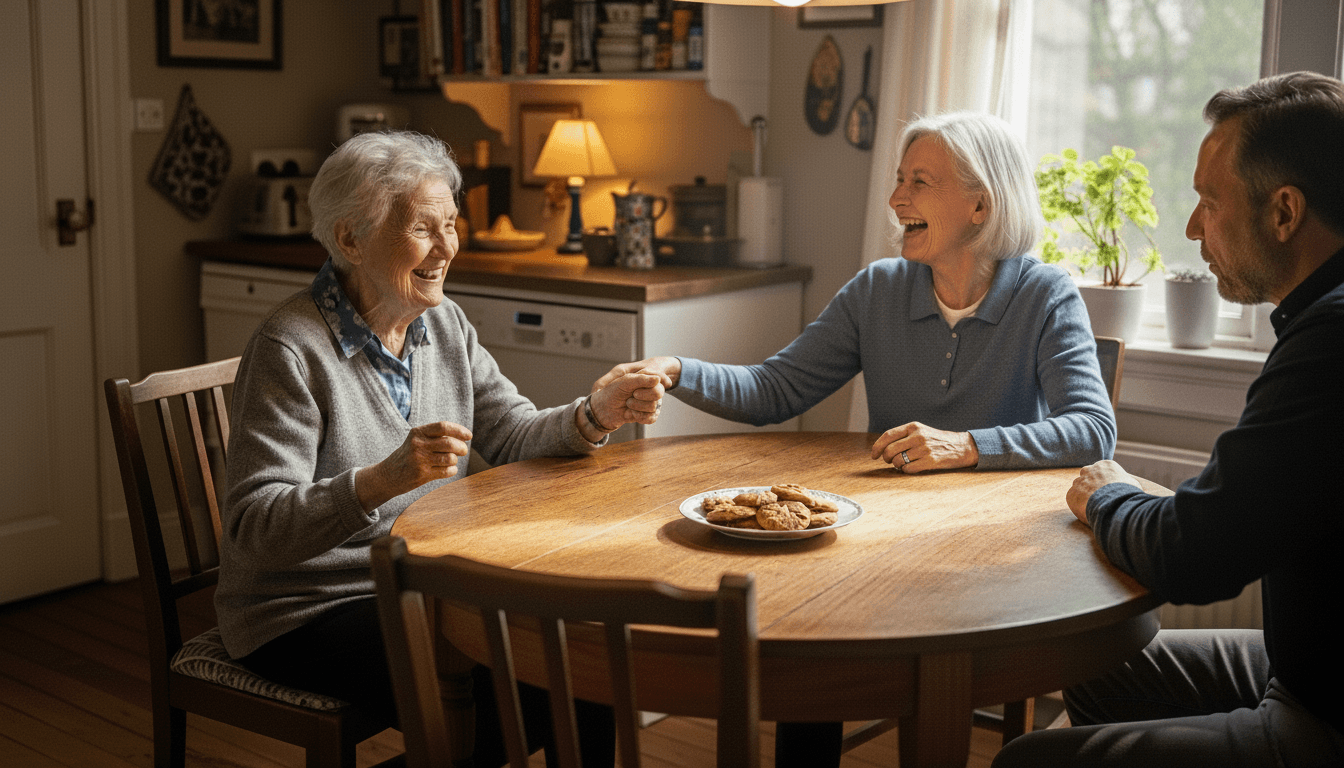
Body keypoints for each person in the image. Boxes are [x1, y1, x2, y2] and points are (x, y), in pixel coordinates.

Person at [598, 111, 1117, 766]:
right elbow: (775, 389)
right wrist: (675, 369)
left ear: (980, 204)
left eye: (919, 182)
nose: (897, 199)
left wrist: (967, 445)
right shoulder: (878, 288)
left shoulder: (1045, 294)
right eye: (899, 180)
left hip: (993, 564)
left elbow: (1093, 430)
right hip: (882, 550)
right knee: (815, 647)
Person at [215, 130, 663, 767]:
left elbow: (510, 434)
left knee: (584, 661)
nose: (448, 247)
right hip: (304, 609)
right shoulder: (289, 349)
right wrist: (378, 480)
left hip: (420, 584)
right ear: (350, 240)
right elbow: (255, 529)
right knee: (505, 690)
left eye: (452, 224)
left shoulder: (442, 323)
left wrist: (593, 414)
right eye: (425, 229)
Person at [993, 71, 1344, 768]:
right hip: (1303, 671)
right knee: (1096, 660)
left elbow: (1195, 553)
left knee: (1022, 761)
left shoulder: (1329, 345)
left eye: (1209, 201)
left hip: (1326, 717)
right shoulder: (1319, 322)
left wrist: (1105, 496)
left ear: (1284, 212)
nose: (1192, 228)